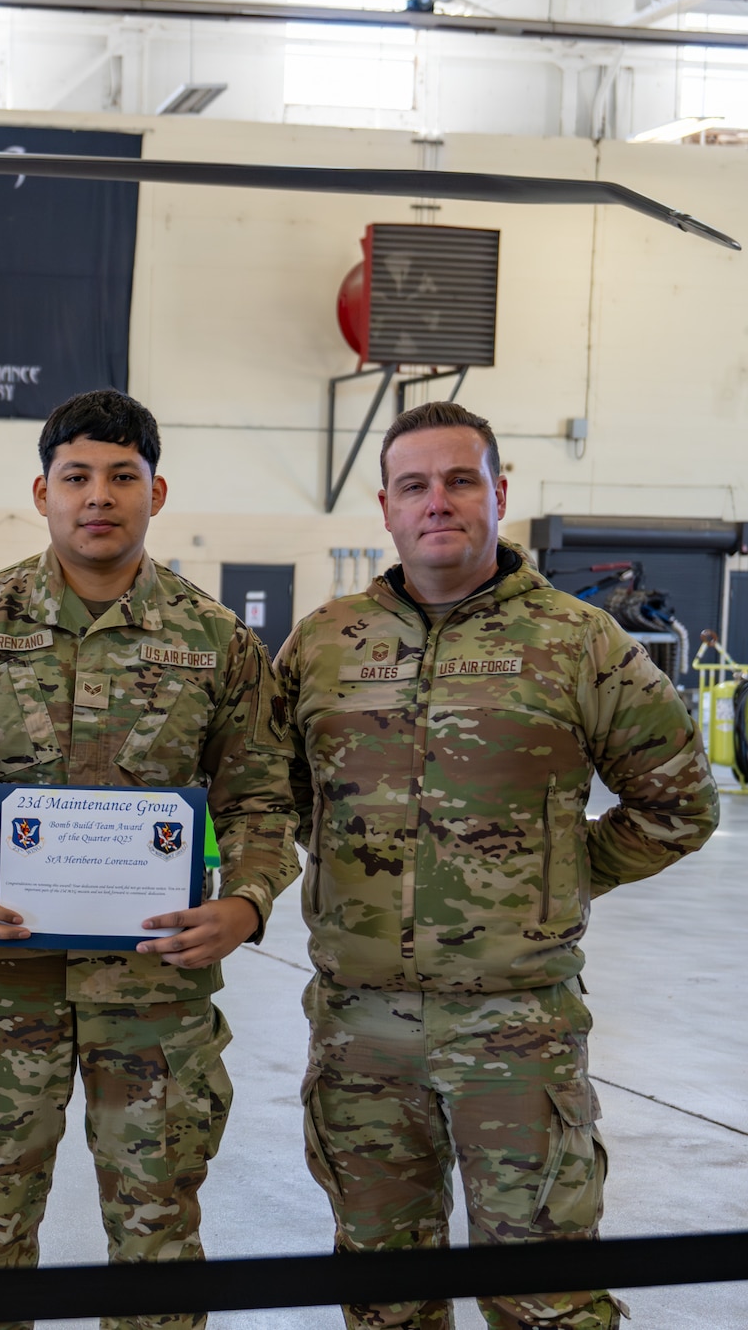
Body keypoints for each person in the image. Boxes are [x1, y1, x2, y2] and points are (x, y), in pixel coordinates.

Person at [274, 400, 718, 1330]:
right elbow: (268, 800)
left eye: (460, 479)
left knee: (545, 1303)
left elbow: (678, 802)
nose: (438, 501)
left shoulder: (579, 642)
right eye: (414, 485)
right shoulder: (321, 644)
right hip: (360, 1035)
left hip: (516, 1036)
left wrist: (555, 870)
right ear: (387, 507)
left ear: (499, 493)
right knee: (382, 1299)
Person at [0, 389, 298, 1330]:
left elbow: (263, 801)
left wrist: (244, 904)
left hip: (157, 992)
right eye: (77, 476)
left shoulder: (217, 643)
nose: (99, 496)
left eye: (123, 476)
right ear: (42, 491)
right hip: (7, 989)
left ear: (158, 491)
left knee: (157, 1238)